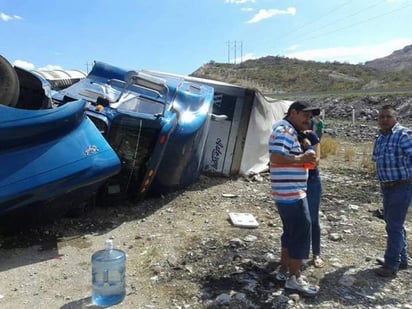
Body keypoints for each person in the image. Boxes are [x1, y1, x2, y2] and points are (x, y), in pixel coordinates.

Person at [268, 100, 320, 296]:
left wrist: (306, 148)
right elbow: (276, 157)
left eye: (311, 116)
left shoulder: (293, 132)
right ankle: (294, 278)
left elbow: (310, 160)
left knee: (290, 232)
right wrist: (301, 158)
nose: (309, 119)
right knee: (300, 234)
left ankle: (283, 270)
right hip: (292, 193)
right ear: (293, 113)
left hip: (287, 192)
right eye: (305, 115)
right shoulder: (284, 131)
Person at [371, 105, 412, 277]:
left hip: (402, 186)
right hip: (387, 187)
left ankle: (391, 264)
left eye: (388, 116)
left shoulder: (403, 135)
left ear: (395, 118)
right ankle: (401, 259)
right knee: (394, 224)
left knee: (394, 226)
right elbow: (376, 160)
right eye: (381, 117)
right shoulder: (380, 138)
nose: (384, 120)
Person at [299, 130, 324, 268]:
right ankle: (299, 254)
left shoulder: (311, 135)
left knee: (313, 219)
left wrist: (307, 148)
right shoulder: (289, 134)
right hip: (294, 180)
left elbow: (316, 161)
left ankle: (316, 253)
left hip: (311, 180)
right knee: (298, 219)